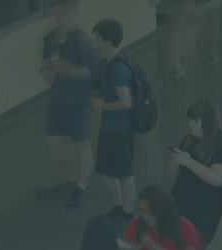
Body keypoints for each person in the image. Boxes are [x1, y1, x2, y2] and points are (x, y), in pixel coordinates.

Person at [41, 0, 101, 208]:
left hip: (78, 101)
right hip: (57, 100)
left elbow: (93, 72)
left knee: (81, 143)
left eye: (64, 13)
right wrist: (47, 72)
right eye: (57, 13)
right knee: (53, 142)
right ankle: (69, 175)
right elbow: (46, 65)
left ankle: (81, 187)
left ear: (74, 13)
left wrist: (67, 69)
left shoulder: (83, 40)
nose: (60, 17)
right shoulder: (51, 38)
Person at [91, 19, 139, 225]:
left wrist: (101, 104)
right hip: (109, 128)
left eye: (98, 37)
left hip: (120, 129)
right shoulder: (109, 63)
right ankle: (118, 208)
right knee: (105, 171)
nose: (95, 40)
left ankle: (128, 214)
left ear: (107, 41)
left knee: (124, 174)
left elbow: (126, 102)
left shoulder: (117, 68)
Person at [165, 100, 222, 247]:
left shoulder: (221, 145)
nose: (190, 125)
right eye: (190, 120)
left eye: (195, 121)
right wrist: (176, 160)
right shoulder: (189, 140)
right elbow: (172, 172)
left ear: (207, 122)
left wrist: (190, 163)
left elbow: (218, 178)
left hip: (203, 215)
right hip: (179, 207)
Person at [123, 185, 203, 250]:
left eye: (149, 211)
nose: (144, 216)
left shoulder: (183, 225)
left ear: (160, 209)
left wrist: (156, 247)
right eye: (142, 211)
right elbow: (126, 244)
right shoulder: (137, 223)